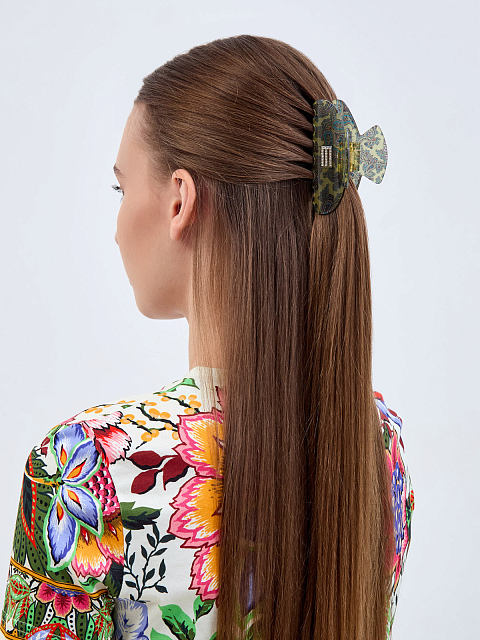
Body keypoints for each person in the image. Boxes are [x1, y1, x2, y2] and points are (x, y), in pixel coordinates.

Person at [0, 35, 414, 640]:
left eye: (121, 188)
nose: (116, 228)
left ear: (180, 201)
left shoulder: (86, 468)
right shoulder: (380, 445)